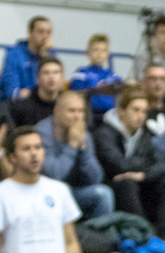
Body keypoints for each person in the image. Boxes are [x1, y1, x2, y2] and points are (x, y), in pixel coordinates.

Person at [95, 86, 165, 238]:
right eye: (135, 110)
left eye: (144, 111)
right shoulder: (104, 133)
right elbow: (119, 165)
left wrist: (143, 175)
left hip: (137, 182)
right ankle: (143, 234)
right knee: (127, 183)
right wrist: (145, 163)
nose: (140, 116)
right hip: (112, 184)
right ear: (122, 111)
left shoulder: (144, 135)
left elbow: (164, 164)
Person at [36, 90, 111, 220]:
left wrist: (82, 148)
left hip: (74, 192)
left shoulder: (84, 134)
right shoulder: (42, 132)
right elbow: (54, 176)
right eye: (71, 111)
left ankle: (101, 232)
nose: (77, 116)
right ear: (56, 111)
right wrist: (72, 145)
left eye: (80, 111)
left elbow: (96, 178)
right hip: (47, 194)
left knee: (103, 194)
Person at [0, 16, 54, 100]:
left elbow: (54, 91)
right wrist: (40, 93)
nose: (45, 36)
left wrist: (46, 59)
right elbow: (13, 93)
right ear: (30, 33)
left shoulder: (50, 55)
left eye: (48, 32)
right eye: (40, 32)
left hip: (39, 104)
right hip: (13, 105)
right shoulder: (14, 55)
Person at [71, 33, 121, 115]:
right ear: (88, 53)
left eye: (103, 50)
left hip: (110, 115)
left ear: (107, 53)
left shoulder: (112, 74)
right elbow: (76, 95)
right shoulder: (81, 73)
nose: (99, 53)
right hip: (89, 114)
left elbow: (121, 91)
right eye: (95, 50)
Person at [11, 56, 67, 129]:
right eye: (46, 72)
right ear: (37, 78)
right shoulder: (22, 107)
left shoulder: (67, 107)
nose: (51, 77)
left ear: (62, 78)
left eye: (56, 72)